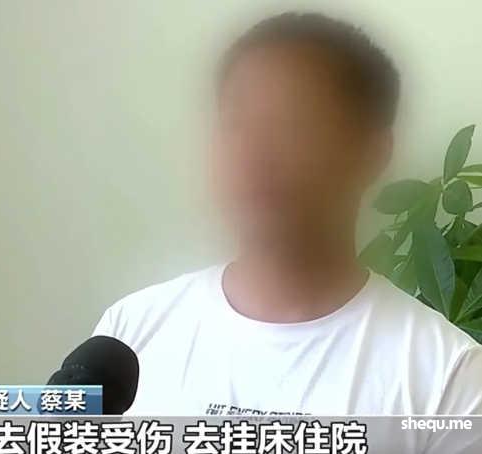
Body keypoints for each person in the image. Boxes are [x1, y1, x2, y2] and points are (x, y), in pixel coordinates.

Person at [93, 12, 482, 418]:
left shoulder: (448, 380)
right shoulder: (127, 334)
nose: (255, 154)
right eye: (237, 123)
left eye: (293, 124)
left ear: (373, 153)